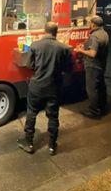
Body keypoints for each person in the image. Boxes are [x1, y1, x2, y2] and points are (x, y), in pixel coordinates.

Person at [17, 22, 72, 155]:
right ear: (56, 32)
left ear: (44, 31)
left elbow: (29, 65)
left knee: (32, 113)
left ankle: (28, 142)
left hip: (37, 87)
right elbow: (68, 68)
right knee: (53, 116)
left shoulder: (35, 45)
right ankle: (52, 145)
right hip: (54, 87)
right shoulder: (64, 48)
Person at [75, 15, 110, 119]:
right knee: (101, 87)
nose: (89, 24)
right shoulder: (104, 33)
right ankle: (102, 107)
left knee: (91, 89)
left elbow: (92, 53)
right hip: (101, 64)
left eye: (90, 23)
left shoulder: (94, 36)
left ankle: (94, 111)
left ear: (93, 24)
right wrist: (85, 46)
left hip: (93, 65)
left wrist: (80, 50)